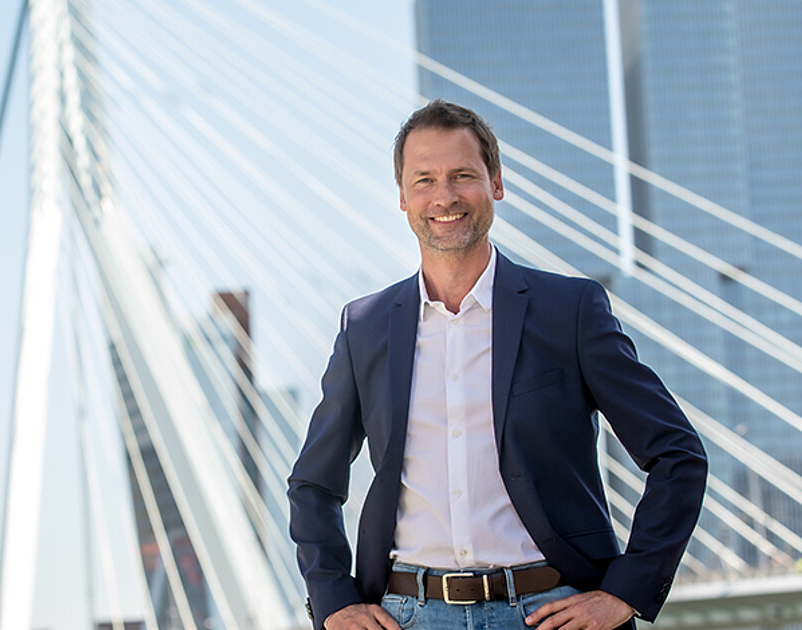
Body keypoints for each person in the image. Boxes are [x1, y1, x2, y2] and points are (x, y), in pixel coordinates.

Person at [288, 100, 707, 630]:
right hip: (411, 616)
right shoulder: (364, 328)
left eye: (463, 175)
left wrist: (627, 590)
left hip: (552, 611)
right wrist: (334, 602)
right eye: (424, 180)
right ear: (402, 197)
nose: (444, 196)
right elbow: (313, 485)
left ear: (496, 184)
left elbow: (678, 455)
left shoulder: (570, 312)